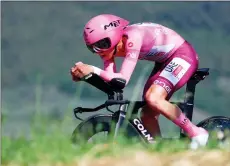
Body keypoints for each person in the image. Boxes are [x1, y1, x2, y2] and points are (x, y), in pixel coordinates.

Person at [70, 14, 209, 148]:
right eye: (92, 48)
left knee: (153, 98)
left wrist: (92, 69)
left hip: (182, 55)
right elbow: (113, 83)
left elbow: (122, 80)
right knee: (147, 113)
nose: (99, 51)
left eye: (101, 44)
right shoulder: (107, 50)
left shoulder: (133, 38)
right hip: (164, 62)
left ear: (113, 36)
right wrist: (86, 76)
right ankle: (158, 150)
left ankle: (197, 133)